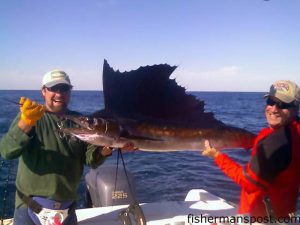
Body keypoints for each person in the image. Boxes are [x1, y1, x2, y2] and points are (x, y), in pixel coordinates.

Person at [0, 70, 136, 225]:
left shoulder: (79, 121)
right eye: (54, 89)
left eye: (64, 89)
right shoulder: (29, 117)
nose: (59, 94)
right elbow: (7, 151)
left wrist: (110, 146)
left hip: (66, 210)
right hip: (29, 209)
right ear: (43, 91)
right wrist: (25, 123)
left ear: (69, 92)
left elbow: (90, 159)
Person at [202, 80, 300, 221]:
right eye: (270, 101)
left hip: (262, 217)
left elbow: (248, 183)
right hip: (286, 212)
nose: (273, 109)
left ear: (296, 108)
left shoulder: (276, 142)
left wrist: (217, 156)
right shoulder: (293, 131)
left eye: (283, 104)